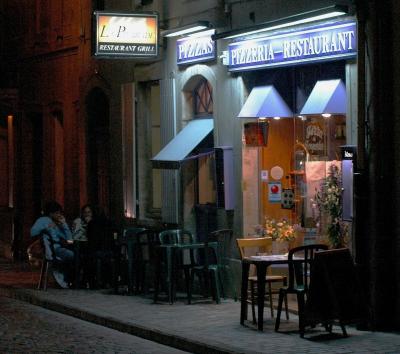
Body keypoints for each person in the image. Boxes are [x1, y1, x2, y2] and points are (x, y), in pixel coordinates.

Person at [31, 201, 74, 288]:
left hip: (59, 248)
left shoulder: (58, 223)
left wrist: (64, 225)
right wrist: (46, 228)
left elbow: (69, 239)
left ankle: (69, 280)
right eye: (57, 213)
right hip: (51, 249)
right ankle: (68, 280)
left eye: (60, 213)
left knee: (74, 255)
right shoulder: (43, 220)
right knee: (71, 255)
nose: (59, 215)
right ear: (51, 213)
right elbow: (33, 232)